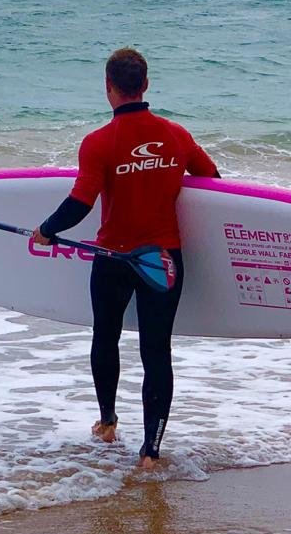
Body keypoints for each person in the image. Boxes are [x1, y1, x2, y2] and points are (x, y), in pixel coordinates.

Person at [31, 48, 219, 468]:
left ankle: (108, 422)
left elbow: (80, 202)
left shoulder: (98, 142)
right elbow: (212, 183)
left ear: (108, 88)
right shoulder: (177, 136)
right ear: (146, 85)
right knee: (157, 351)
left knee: (106, 336)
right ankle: (151, 452)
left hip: (113, 258)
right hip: (163, 261)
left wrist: (47, 230)